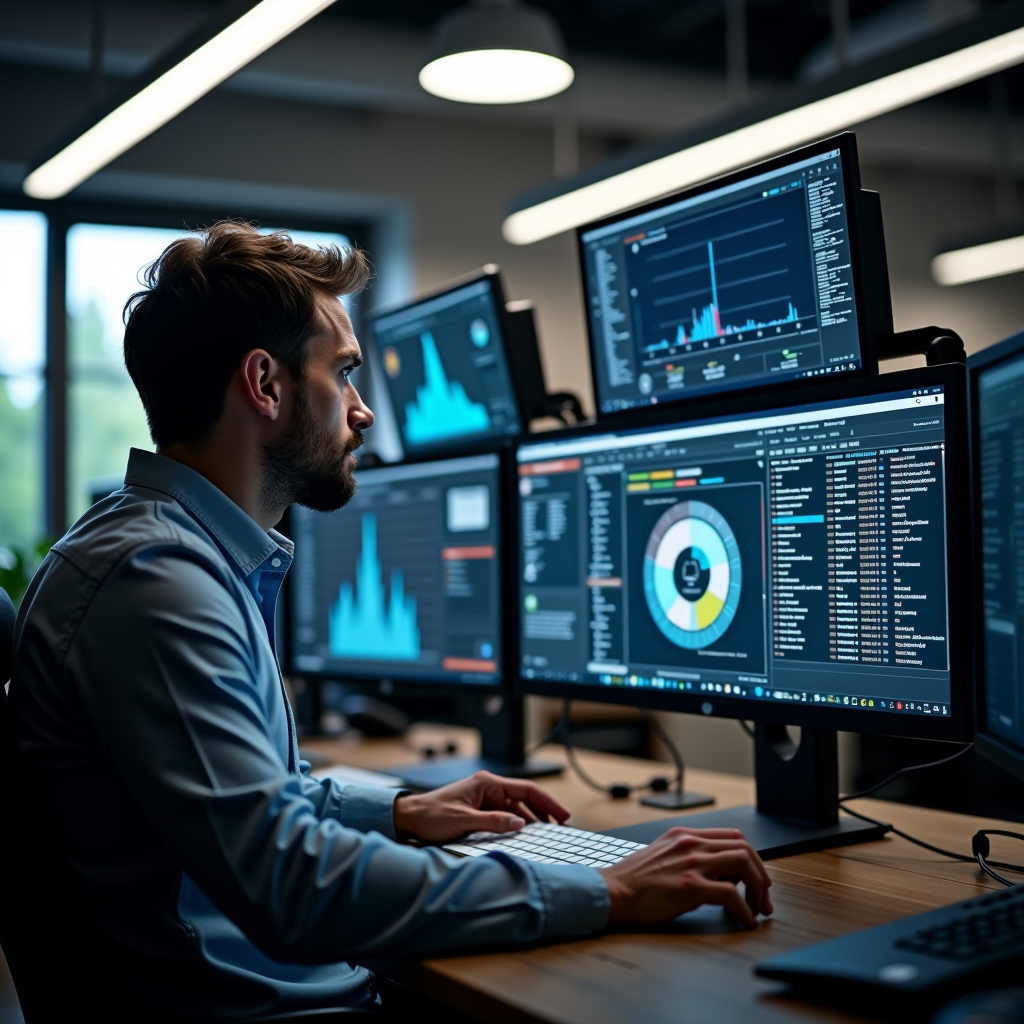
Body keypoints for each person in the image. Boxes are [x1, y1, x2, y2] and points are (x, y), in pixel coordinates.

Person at [10, 222, 773, 1020]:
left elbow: (250, 805)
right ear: (265, 385)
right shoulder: (156, 581)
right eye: (343, 374)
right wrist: (604, 885)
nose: (364, 411)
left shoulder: (169, 555)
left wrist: (401, 812)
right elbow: (290, 886)